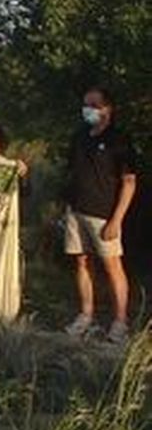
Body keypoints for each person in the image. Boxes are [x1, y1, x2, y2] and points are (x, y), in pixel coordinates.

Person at [62, 88, 139, 344]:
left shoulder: (119, 140)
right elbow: (72, 172)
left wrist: (116, 219)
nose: (89, 110)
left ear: (108, 109)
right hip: (76, 210)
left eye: (94, 105)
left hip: (104, 214)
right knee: (82, 262)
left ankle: (120, 322)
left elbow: (129, 182)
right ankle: (86, 315)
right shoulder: (79, 136)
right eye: (86, 104)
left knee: (112, 266)